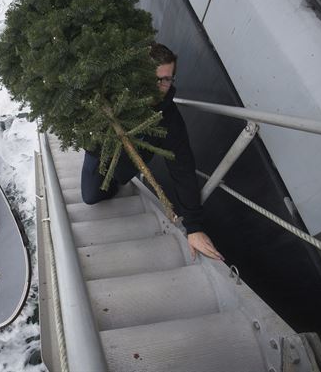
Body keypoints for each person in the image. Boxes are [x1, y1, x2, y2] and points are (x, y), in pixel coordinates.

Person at [81, 43, 223, 261]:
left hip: (127, 167)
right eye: (154, 78)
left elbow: (182, 168)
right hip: (98, 154)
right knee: (90, 197)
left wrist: (194, 227)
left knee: (119, 179)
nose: (159, 85)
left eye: (166, 79)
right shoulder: (116, 97)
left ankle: (118, 179)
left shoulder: (170, 119)